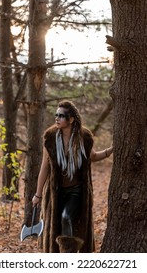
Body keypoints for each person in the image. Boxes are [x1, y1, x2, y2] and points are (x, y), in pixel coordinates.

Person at [32, 100, 113, 253]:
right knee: (55, 224)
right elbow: (45, 167)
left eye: (61, 115)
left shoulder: (84, 137)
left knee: (65, 217)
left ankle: (69, 255)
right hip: (56, 191)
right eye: (56, 114)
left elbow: (93, 156)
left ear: (71, 119)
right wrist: (38, 194)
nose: (57, 118)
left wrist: (111, 150)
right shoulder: (50, 138)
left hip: (76, 191)